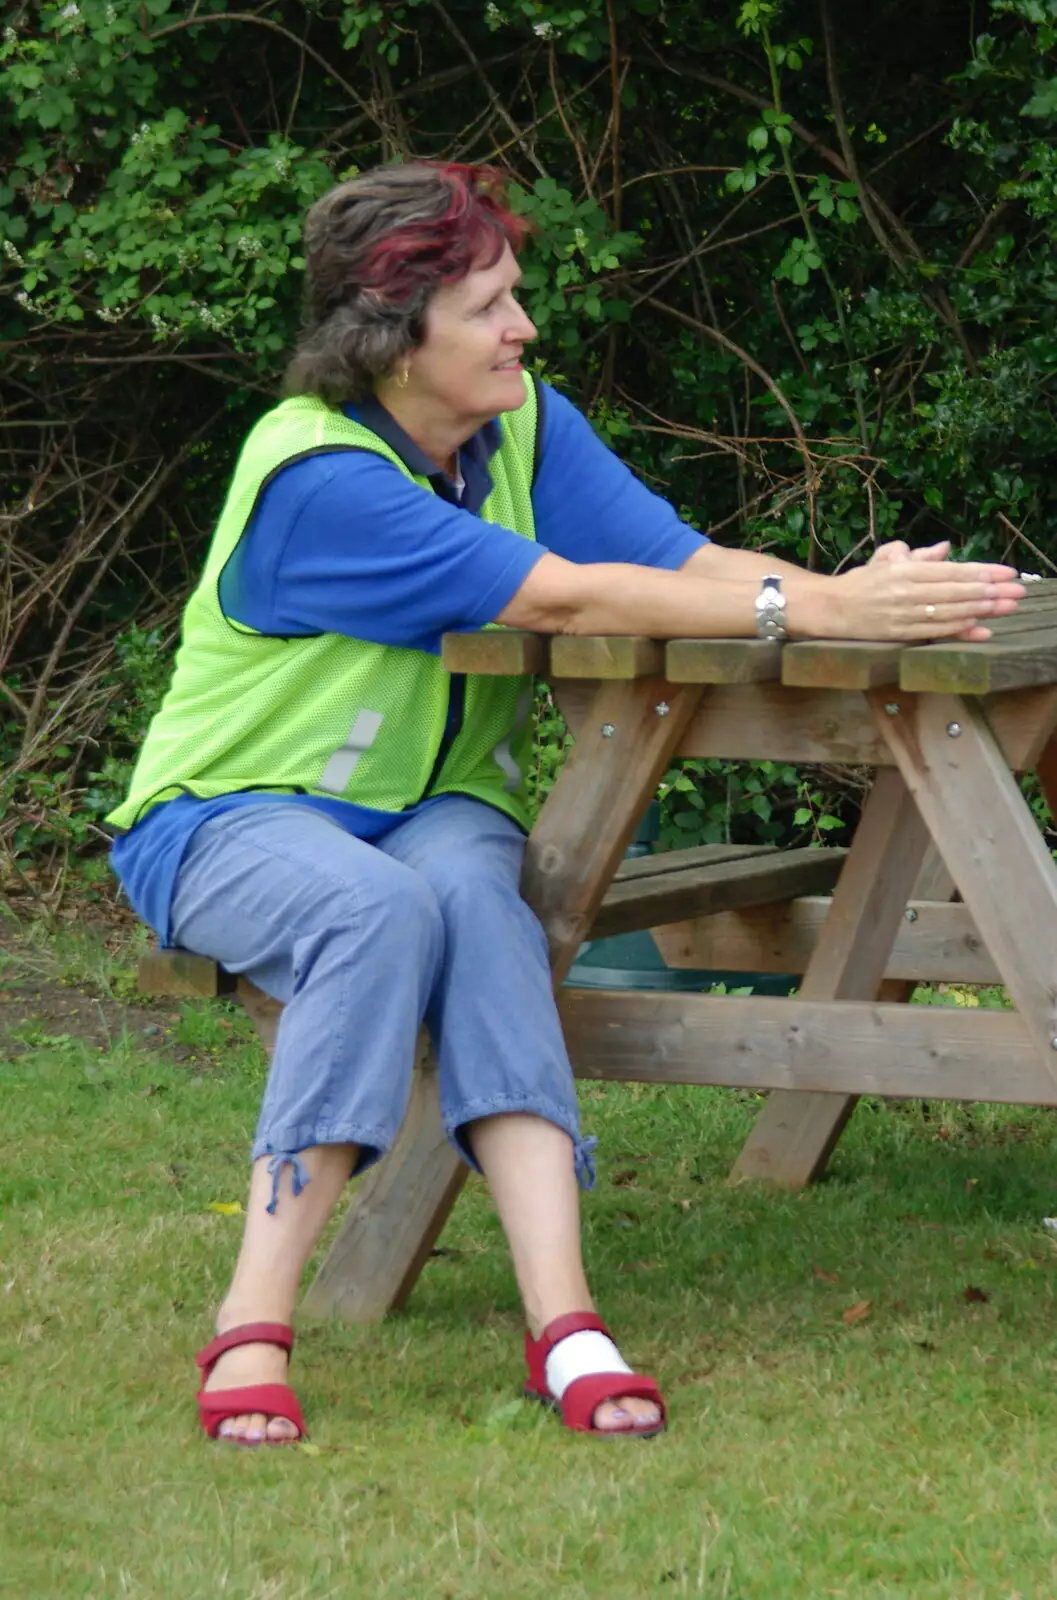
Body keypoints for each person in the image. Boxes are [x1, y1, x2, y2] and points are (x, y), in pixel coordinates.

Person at [107, 160, 1024, 1447]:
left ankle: (567, 1320)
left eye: (514, 300)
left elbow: (685, 566)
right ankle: (253, 1317)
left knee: (486, 920)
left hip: (439, 812)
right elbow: (553, 595)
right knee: (375, 915)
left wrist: (840, 592)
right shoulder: (316, 476)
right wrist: (815, 608)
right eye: (487, 306)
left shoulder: (522, 421)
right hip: (231, 818)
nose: (520, 327)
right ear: (392, 327)